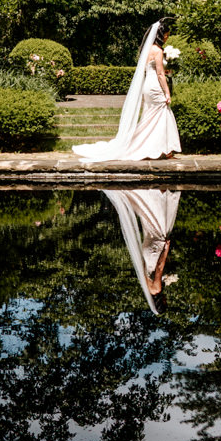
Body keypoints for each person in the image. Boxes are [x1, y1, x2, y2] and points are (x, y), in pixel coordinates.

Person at [73, 19, 182, 161]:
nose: (167, 37)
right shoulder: (158, 50)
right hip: (155, 85)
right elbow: (160, 74)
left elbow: (150, 69)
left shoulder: (147, 49)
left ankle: (160, 148)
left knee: (150, 116)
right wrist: (167, 92)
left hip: (147, 85)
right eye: (166, 35)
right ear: (161, 35)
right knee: (163, 111)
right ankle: (161, 148)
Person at [103, 189, 181, 314]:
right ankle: (147, 197)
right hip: (147, 254)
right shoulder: (147, 289)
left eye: (166, 302)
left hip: (154, 254)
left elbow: (159, 268)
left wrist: (166, 250)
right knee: (150, 223)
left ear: (162, 302)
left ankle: (157, 194)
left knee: (160, 227)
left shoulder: (156, 289)